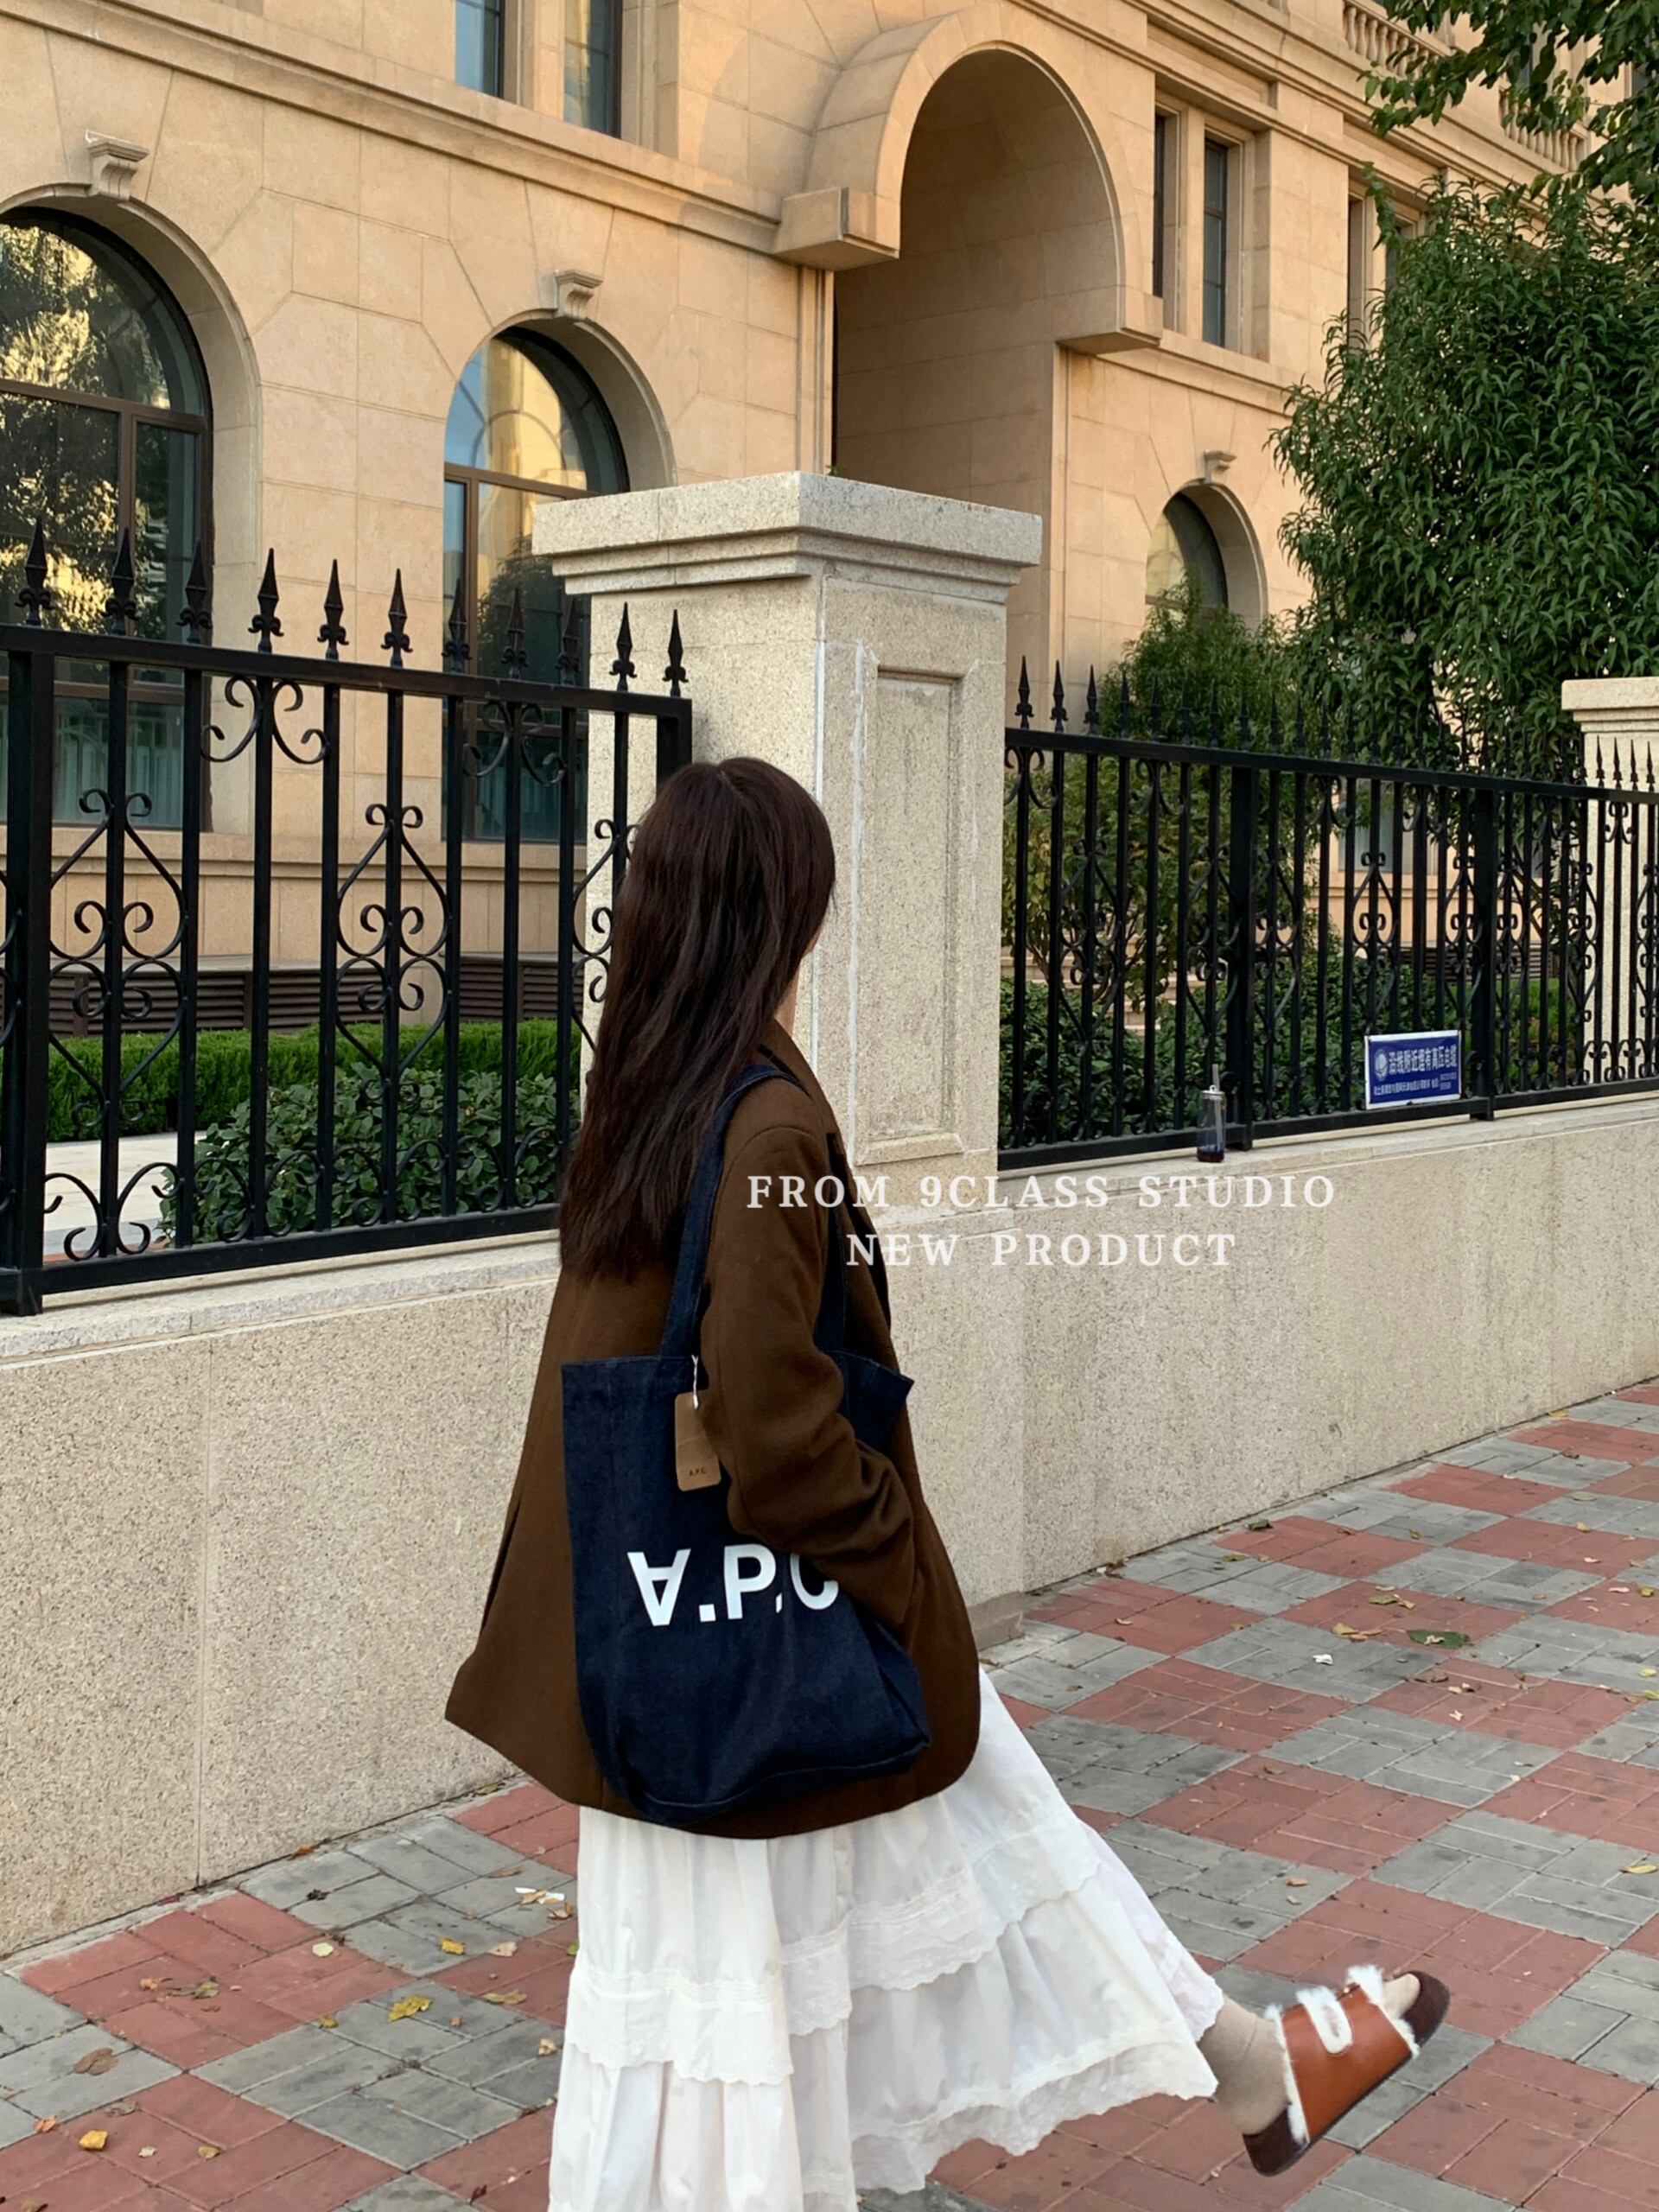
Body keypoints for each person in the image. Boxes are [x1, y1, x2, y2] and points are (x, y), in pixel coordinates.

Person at [446, 756, 1448, 2212]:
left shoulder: (649, 1089)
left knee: (945, 1852)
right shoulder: (763, 1123)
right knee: (897, 1873)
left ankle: (1259, 2071)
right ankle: (1262, 2073)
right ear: (785, 914)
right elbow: (774, 1425)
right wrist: (907, 1574)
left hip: (661, 1632)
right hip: (746, 1629)